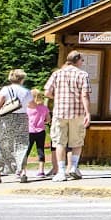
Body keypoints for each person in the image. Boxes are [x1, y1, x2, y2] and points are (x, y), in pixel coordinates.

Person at [43, 51, 91, 181]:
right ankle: (73, 167)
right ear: (77, 60)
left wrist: (57, 97)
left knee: (59, 142)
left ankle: (61, 171)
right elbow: (85, 95)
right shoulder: (83, 74)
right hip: (77, 112)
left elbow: (47, 92)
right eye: (82, 60)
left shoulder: (57, 73)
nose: (82, 62)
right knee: (77, 141)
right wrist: (88, 113)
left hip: (60, 112)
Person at [0, 69, 31, 183]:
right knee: (21, 144)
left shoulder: (5, 90)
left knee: (2, 144)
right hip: (22, 118)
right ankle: (22, 172)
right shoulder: (27, 91)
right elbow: (31, 105)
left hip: (6, 118)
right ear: (22, 79)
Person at [23, 93, 54, 180]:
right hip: (41, 131)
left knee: (26, 151)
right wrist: (42, 122)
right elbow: (48, 119)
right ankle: (41, 171)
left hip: (29, 131)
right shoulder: (44, 108)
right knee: (40, 150)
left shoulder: (28, 108)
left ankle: (22, 170)